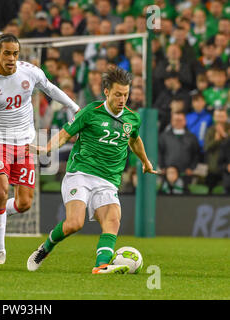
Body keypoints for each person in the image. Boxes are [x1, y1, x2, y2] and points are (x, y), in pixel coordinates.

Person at [26, 67, 157, 274]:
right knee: (74, 223)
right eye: (117, 94)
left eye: (125, 94)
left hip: (108, 179)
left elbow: (135, 140)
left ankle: (101, 265)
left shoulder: (132, 119)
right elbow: (64, 135)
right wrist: (46, 148)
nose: (122, 99)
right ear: (106, 92)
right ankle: (46, 247)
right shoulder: (90, 112)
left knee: (112, 220)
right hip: (81, 174)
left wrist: (146, 162)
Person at [0, 34, 81, 265]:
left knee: (24, 204)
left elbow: (50, 89)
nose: (11, 58)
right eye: (7, 53)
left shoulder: (29, 72)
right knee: (1, 191)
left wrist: (74, 106)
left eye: (15, 53)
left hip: (25, 143)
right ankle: (0, 251)